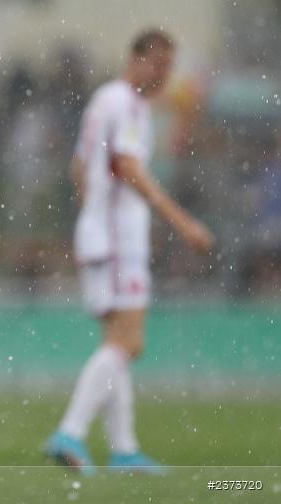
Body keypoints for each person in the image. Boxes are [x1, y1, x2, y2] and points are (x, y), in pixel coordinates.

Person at [45, 30, 214, 474]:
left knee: (115, 344)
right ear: (135, 58)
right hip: (120, 239)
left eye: (168, 67)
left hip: (101, 233)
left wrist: (91, 214)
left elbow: (80, 165)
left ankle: (123, 449)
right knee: (129, 343)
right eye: (158, 64)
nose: (163, 75)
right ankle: (71, 432)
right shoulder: (130, 104)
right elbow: (129, 168)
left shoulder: (104, 99)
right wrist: (183, 222)